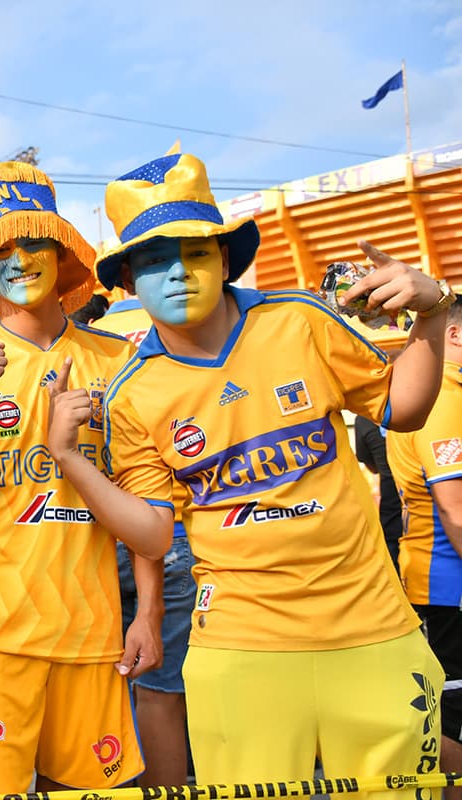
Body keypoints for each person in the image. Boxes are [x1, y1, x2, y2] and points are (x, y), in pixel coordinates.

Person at [98, 151, 452, 794]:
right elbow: (152, 534)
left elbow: (403, 409)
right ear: (127, 279)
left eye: (196, 252)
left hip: (373, 629)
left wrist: (433, 311)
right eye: (153, 260)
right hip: (238, 647)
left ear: (226, 258)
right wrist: (70, 461)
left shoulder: (299, 321)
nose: (177, 272)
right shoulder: (130, 393)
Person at [0, 161, 169, 794]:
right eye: (2, 246)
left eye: (35, 241)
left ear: (62, 254)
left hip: (94, 638)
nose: (21, 258)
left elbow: (144, 499)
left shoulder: (117, 360)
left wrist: (146, 614)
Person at [91, 294, 195, 787]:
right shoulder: (171, 329)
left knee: (101, 691)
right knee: (160, 692)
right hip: (169, 524)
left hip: (93, 535)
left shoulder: (97, 341)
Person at [387, 293, 462, 796]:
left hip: (437, 579)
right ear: (453, 334)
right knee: (452, 713)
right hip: (447, 584)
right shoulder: (447, 395)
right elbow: (456, 507)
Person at [355, 415, 403, 568]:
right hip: (423, 490)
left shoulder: (364, 417)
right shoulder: (423, 405)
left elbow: (371, 466)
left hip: (391, 496)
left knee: (393, 551)